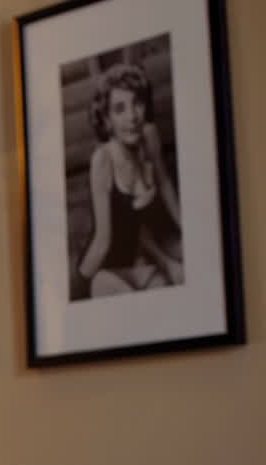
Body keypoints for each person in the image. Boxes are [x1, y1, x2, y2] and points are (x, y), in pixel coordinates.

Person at [77, 61, 182, 297]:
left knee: (171, 285)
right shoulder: (102, 160)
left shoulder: (149, 135)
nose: (132, 116)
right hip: (104, 271)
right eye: (119, 109)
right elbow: (103, 241)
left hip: (139, 263)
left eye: (138, 103)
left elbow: (164, 184)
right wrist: (77, 292)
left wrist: (187, 229)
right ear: (106, 120)